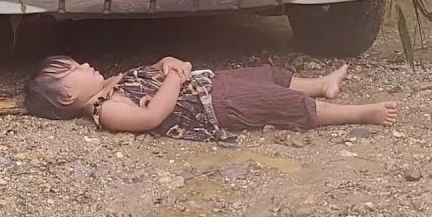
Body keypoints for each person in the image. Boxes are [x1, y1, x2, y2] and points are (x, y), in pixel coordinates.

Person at [23, 56, 398, 141]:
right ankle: (360, 114)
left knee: (266, 76)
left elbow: (150, 73)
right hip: (213, 107)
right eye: (74, 68)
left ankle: (320, 84)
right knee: (275, 102)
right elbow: (152, 116)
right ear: (69, 95)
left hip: (210, 84)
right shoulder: (107, 110)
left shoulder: (111, 84)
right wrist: (174, 77)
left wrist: (166, 62)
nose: (85, 64)